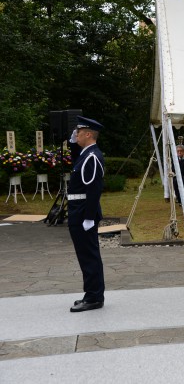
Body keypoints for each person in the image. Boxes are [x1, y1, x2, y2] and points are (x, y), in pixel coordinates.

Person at [67, 116, 106, 312]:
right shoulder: (86, 154)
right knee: (86, 255)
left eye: (79, 133)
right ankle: (92, 293)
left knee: (89, 256)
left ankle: (94, 297)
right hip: (79, 210)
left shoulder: (92, 156)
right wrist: (72, 143)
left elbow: (93, 189)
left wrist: (89, 217)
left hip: (83, 212)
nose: (77, 135)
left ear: (88, 134)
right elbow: (76, 159)